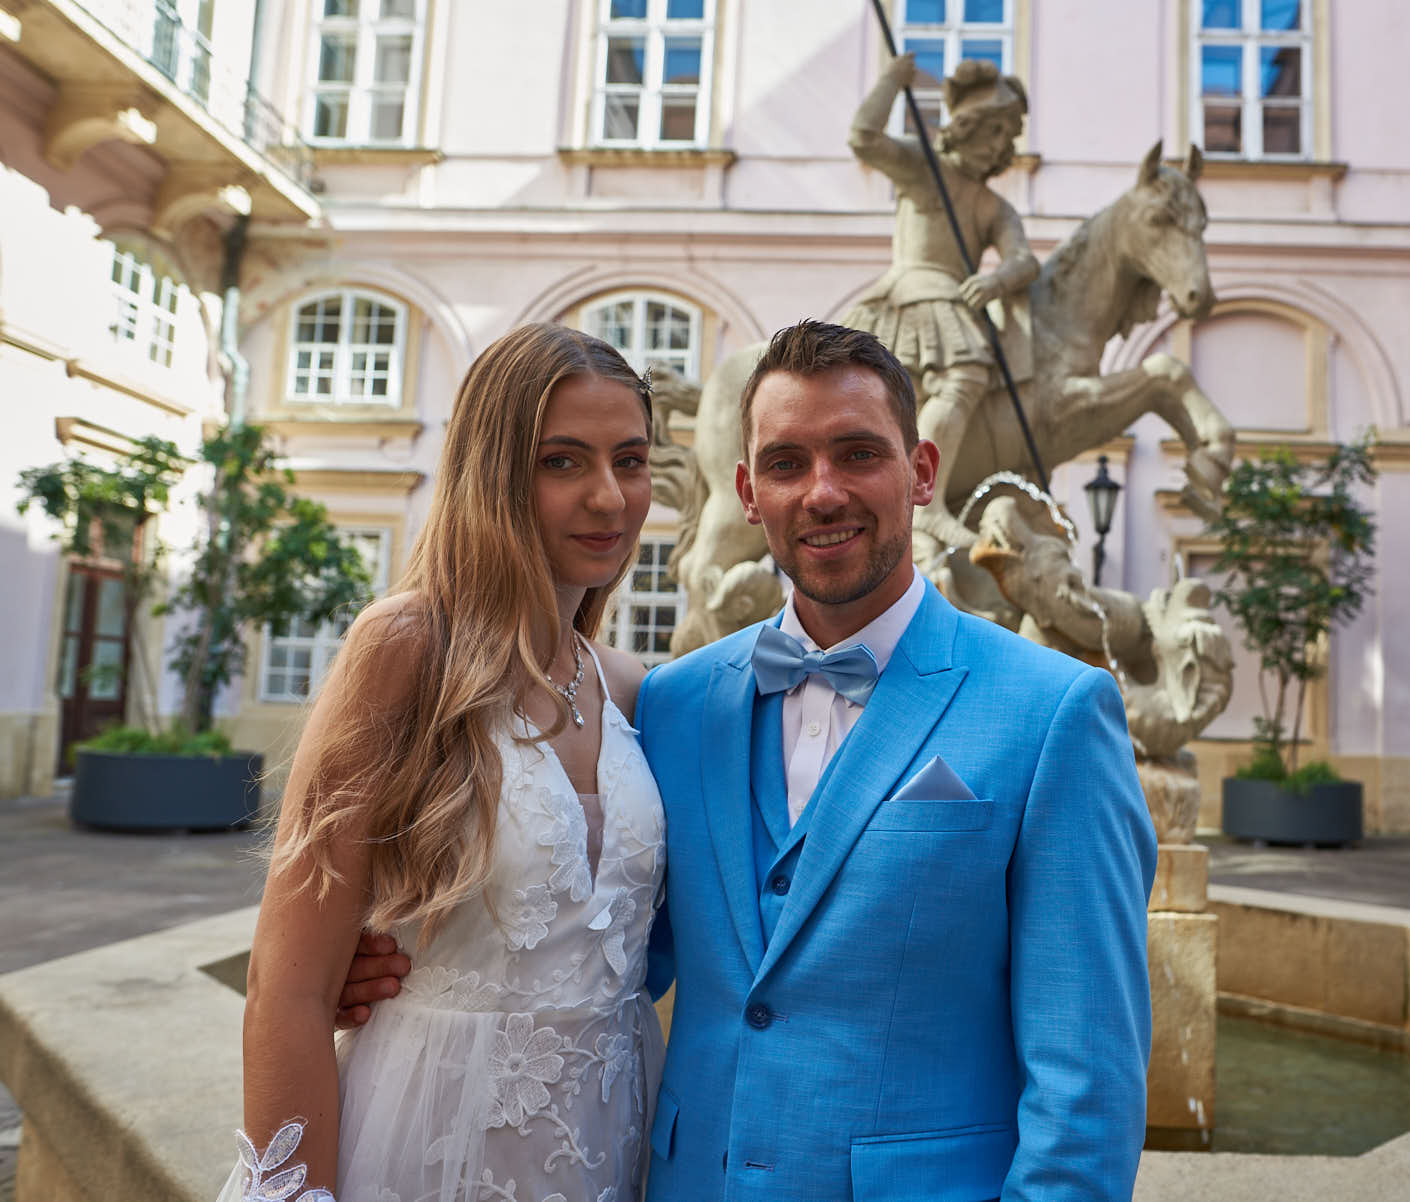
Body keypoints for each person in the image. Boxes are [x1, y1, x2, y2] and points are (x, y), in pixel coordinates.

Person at [343, 319, 1157, 1201]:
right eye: (786, 464)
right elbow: (609, 941)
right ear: (747, 492)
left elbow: (1088, 1084)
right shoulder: (676, 701)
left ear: (921, 471)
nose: (823, 492)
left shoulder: (1054, 712)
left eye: (858, 454)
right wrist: (394, 956)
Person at [221, 323, 667, 1202]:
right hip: (428, 1142)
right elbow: (288, 982)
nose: (611, 498)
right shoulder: (407, 648)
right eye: (563, 462)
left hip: (613, 1141)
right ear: (494, 475)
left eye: (631, 459)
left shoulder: (628, 686)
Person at [843, 53, 1038, 553]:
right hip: (907, 294)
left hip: (954, 299)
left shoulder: (993, 204)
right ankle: (922, 507)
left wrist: (997, 282)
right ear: (966, 127)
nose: (999, 145)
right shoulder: (922, 166)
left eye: (1006, 137)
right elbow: (863, 137)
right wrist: (891, 81)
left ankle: (923, 505)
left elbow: (1024, 259)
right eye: (991, 130)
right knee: (941, 377)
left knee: (963, 377)